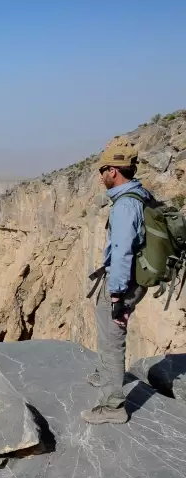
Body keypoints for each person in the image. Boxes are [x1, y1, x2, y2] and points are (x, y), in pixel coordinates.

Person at [82, 136, 151, 425]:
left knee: (113, 338)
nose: (99, 176)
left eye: (102, 170)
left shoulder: (124, 205)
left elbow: (123, 250)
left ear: (113, 171)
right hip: (127, 277)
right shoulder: (138, 194)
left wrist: (116, 295)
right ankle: (103, 374)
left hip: (122, 280)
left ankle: (113, 407)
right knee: (104, 325)